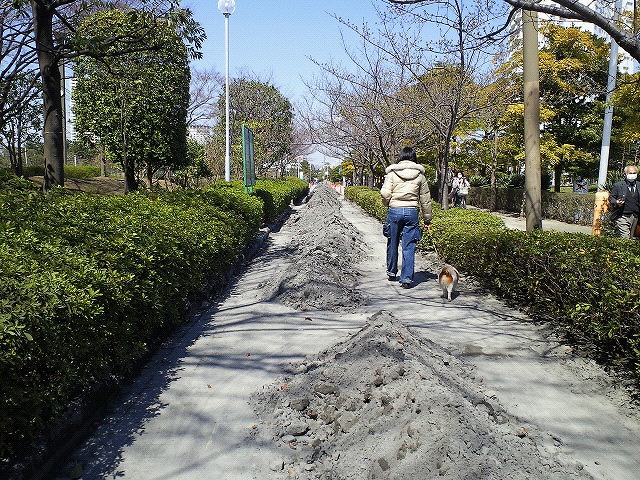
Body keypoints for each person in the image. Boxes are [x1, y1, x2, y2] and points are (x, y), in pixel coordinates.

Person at [380, 146, 432, 288]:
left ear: (401, 157)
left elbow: (385, 193)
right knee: (409, 246)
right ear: (413, 157)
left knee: (393, 241)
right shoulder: (420, 175)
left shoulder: (392, 173)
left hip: (394, 211)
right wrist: (427, 219)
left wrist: (387, 203)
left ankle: (391, 272)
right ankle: (407, 279)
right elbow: (425, 200)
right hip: (412, 212)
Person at [608, 165, 640, 239]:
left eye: (634, 173)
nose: (632, 175)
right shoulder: (618, 185)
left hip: (635, 216)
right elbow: (611, 197)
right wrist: (616, 202)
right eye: (630, 173)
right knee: (625, 236)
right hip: (622, 215)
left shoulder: (639, 185)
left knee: (631, 237)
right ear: (626, 174)